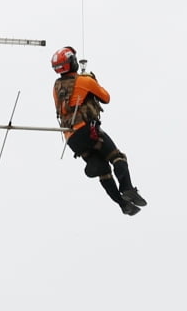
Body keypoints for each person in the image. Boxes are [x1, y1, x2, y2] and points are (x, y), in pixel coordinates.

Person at [51, 46, 146, 216]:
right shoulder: (84, 81)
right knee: (116, 157)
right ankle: (127, 188)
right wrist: (92, 80)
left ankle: (122, 204)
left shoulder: (56, 87)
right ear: (72, 63)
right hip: (88, 131)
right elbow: (106, 97)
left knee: (103, 171)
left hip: (71, 139)